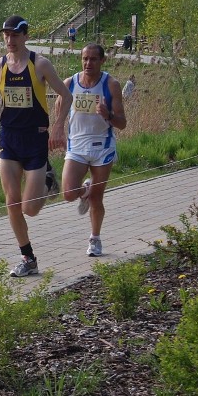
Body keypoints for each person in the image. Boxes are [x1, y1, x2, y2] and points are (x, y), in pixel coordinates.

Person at [0, 15, 73, 277]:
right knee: (11, 202)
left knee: (30, 208)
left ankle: (47, 181)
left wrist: (58, 126)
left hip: (35, 138)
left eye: (15, 35)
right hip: (9, 138)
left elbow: (66, 95)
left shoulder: (40, 65)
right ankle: (28, 257)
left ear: (25, 36)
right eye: (6, 35)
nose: (10, 40)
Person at [55, 44, 127, 257]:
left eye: (93, 59)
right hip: (76, 145)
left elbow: (122, 123)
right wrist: (56, 130)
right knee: (68, 193)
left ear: (102, 61)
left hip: (101, 147)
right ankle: (84, 190)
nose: (88, 63)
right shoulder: (70, 83)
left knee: (97, 198)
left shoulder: (111, 85)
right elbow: (59, 112)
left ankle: (94, 239)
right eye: (85, 59)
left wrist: (108, 115)